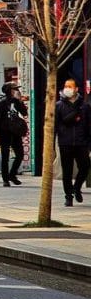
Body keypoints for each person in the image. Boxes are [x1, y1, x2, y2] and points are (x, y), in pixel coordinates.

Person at [55, 79, 90, 208]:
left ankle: (77, 187)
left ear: (76, 89)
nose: (67, 88)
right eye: (65, 86)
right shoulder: (59, 105)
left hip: (81, 143)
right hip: (65, 142)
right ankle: (68, 196)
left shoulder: (84, 106)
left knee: (85, 166)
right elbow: (55, 125)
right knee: (67, 171)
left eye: (70, 86)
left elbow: (88, 125)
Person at [0, 83, 29, 186]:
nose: (16, 90)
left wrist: (20, 100)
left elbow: (25, 113)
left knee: (20, 154)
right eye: (14, 89)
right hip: (4, 132)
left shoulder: (16, 101)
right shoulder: (1, 103)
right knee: (5, 155)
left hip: (15, 131)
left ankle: (12, 174)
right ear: (9, 90)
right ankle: (5, 178)